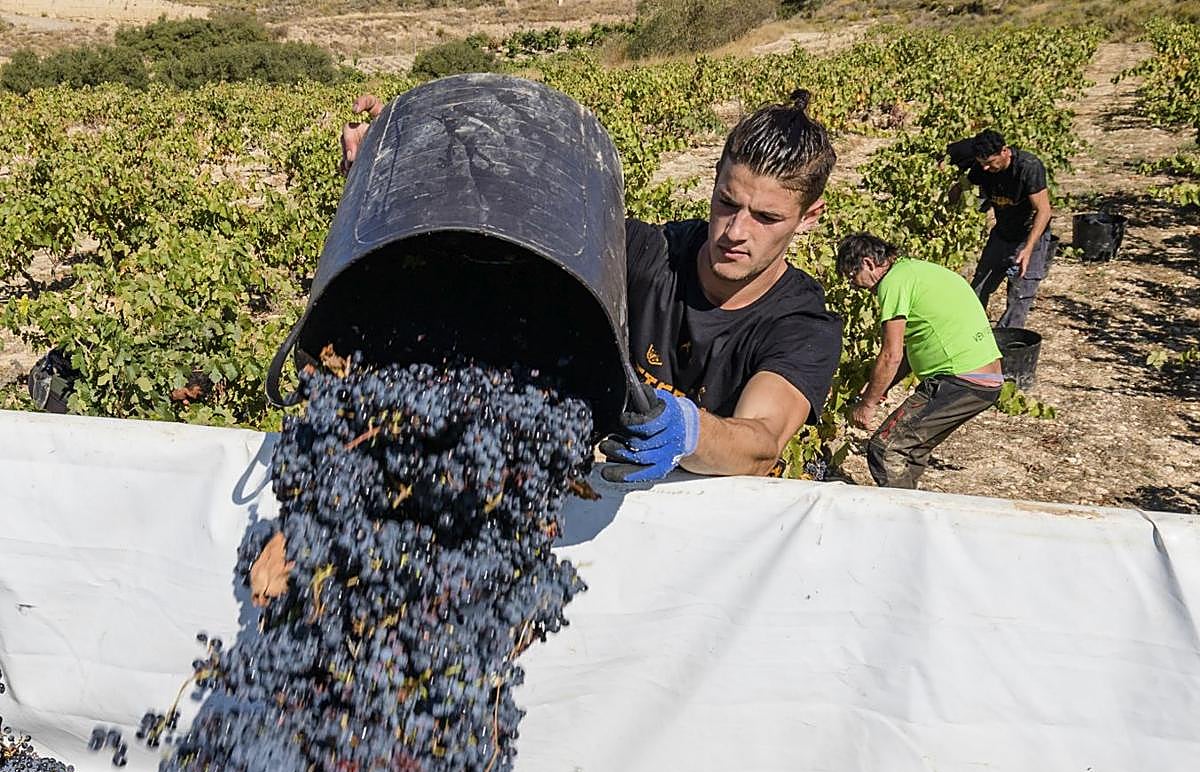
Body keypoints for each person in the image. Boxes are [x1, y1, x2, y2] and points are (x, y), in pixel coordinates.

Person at [339, 89, 843, 484]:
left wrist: (690, 430)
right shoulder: (649, 254)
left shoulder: (801, 325)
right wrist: (405, 165)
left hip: (718, 533)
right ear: (714, 180)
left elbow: (761, 444)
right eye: (728, 203)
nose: (735, 231)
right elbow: (519, 228)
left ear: (809, 216)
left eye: (766, 217)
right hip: (613, 498)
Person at [837, 233, 1003, 490]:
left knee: (886, 450)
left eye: (851, 276)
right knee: (912, 451)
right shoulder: (916, 271)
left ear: (868, 263)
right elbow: (910, 350)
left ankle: (898, 522)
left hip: (958, 380)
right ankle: (911, 514)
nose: (852, 285)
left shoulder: (892, 282)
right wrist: (881, 389)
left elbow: (892, 355)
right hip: (984, 381)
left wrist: (867, 404)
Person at [948, 129, 1053, 329]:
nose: (986, 168)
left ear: (1005, 151)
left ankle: (1006, 344)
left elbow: (1044, 211)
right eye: (982, 163)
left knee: (1019, 297)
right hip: (1002, 233)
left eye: (990, 162)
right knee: (979, 287)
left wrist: (1028, 248)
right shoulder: (983, 168)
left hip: (1029, 236)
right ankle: (972, 332)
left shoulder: (1028, 167)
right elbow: (963, 185)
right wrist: (953, 192)